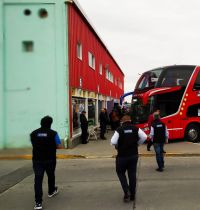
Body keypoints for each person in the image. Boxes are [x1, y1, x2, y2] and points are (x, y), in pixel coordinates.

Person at [111, 114, 147, 202]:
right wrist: (137, 144)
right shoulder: (136, 128)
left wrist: (118, 146)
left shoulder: (119, 130)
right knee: (132, 174)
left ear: (122, 122)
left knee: (120, 173)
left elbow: (113, 141)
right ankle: (133, 195)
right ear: (130, 121)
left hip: (122, 156)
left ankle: (127, 191)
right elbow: (145, 137)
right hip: (133, 155)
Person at [30, 116, 62, 210]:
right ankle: (51, 191)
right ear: (50, 123)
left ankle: (38, 203)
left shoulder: (33, 133)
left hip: (37, 160)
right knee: (51, 175)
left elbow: (34, 144)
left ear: (41, 123)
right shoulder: (53, 133)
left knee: (38, 180)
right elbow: (59, 146)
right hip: (50, 159)